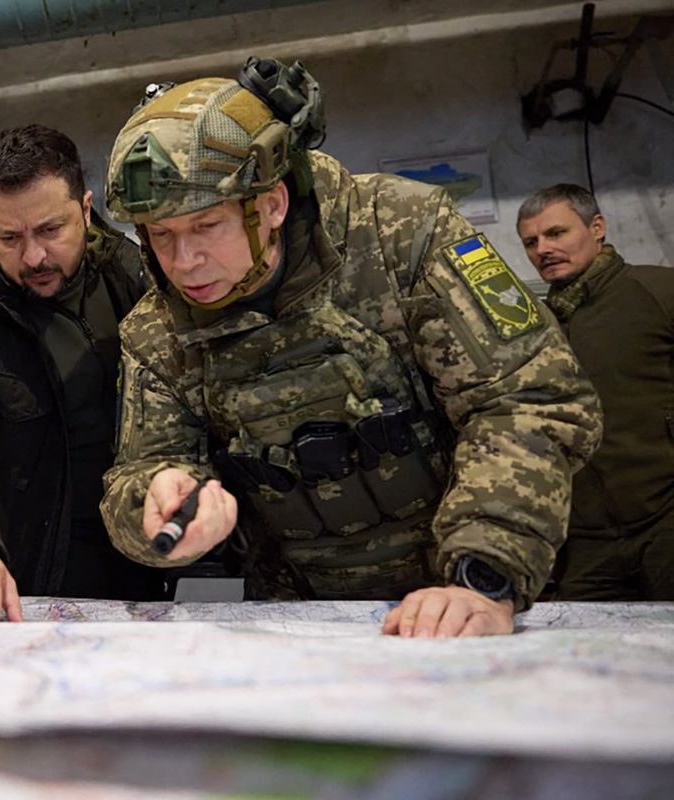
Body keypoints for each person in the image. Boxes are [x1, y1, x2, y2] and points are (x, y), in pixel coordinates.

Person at [99, 59, 602, 637]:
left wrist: (484, 575)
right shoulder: (155, 328)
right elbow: (136, 474)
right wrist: (154, 501)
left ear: (272, 204)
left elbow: (527, 398)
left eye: (207, 226)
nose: (183, 263)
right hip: (304, 624)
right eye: (160, 236)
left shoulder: (402, 232)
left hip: (467, 592)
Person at [0, 124, 163, 622]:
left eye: (50, 230)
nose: (34, 256)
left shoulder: (144, 280)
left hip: (157, 563)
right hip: (36, 576)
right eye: (9, 237)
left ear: (85, 209)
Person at [517, 184, 674, 600]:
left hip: (664, 521)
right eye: (531, 242)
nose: (543, 249)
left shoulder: (656, 292)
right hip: (586, 542)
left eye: (556, 233)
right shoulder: (535, 323)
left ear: (597, 227)